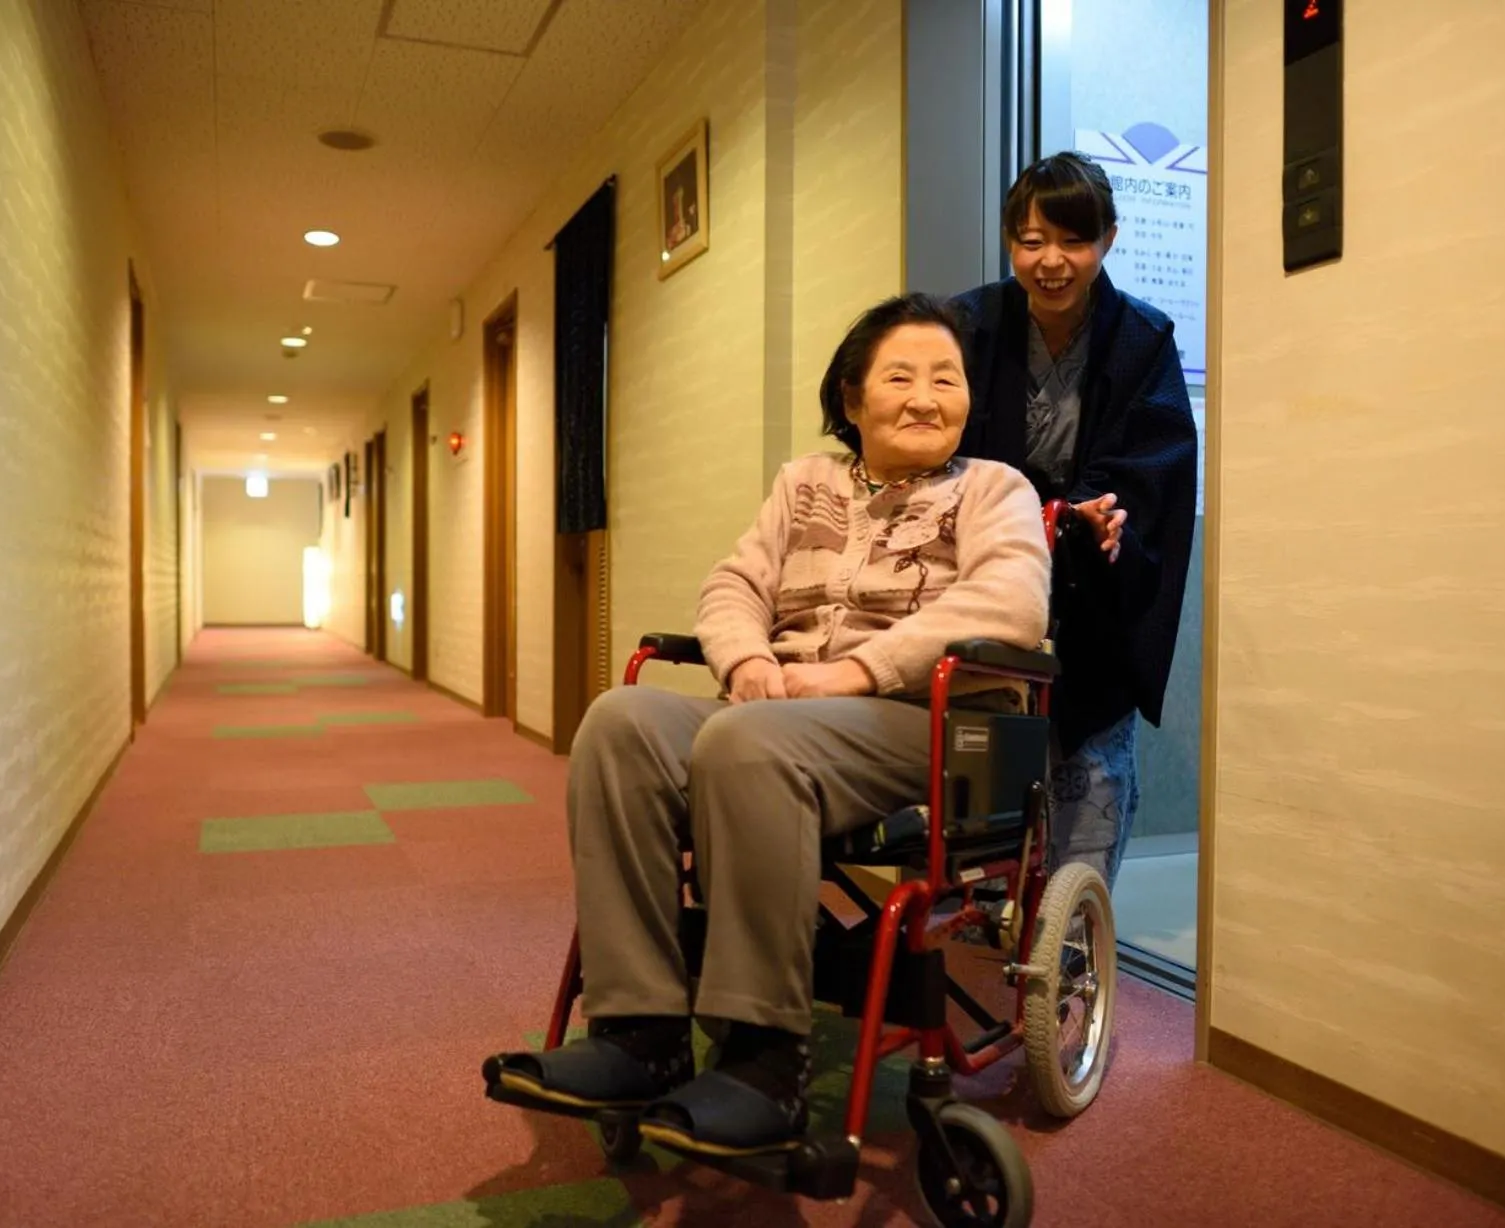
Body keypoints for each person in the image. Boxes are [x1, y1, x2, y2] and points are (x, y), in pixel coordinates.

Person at [485, 293, 1051, 1157]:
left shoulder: (992, 489)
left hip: (919, 727)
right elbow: (732, 587)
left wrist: (852, 670)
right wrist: (747, 661)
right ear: (853, 398)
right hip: (779, 711)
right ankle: (639, 1030)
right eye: (900, 376)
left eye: (948, 378)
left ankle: (762, 1065)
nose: (928, 397)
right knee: (619, 722)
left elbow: (1010, 602)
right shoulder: (805, 484)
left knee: (745, 742)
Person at [951, 152, 1199, 889]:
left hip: (1091, 582)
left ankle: (1074, 933)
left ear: (1110, 240)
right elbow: (937, 431)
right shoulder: (971, 323)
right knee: (979, 756)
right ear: (1008, 241)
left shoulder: (1141, 338)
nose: (1051, 261)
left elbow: (1154, 463)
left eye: (1074, 241)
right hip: (991, 567)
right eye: (1031, 241)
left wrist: (1099, 510)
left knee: (1091, 763)